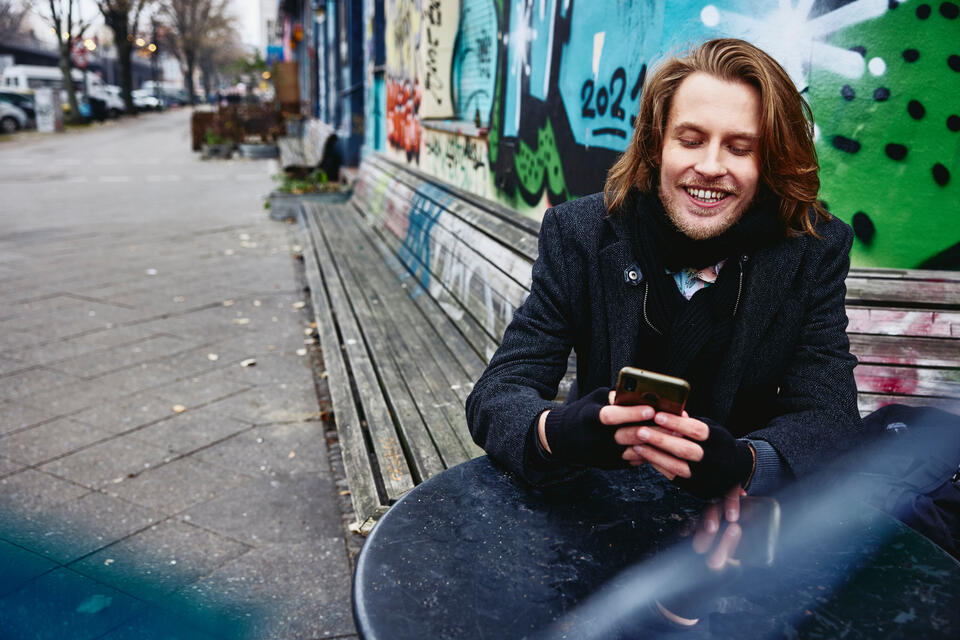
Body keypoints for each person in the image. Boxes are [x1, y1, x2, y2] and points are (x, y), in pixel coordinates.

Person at [465, 39, 863, 530]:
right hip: (594, 510)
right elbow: (498, 392)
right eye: (691, 140)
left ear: (769, 160)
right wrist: (559, 432)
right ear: (657, 145)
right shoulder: (580, 234)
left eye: (740, 147)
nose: (711, 167)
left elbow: (830, 416)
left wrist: (746, 464)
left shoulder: (812, 250)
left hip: (736, 528)